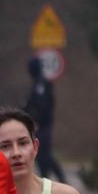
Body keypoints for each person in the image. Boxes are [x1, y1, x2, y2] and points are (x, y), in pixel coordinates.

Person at [24, 55, 65, 183]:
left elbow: (42, 105)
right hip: (41, 125)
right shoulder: (38, 82)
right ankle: (47, 179)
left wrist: (35, 120)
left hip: (43, 125)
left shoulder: (41, 84)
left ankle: (57, 179)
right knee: (42, 155)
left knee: (44, 154)